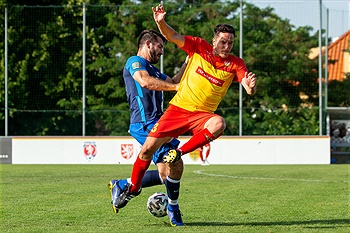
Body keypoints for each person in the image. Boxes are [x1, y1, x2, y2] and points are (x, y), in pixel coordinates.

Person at [113, 4, 257, 227]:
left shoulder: (234, 63)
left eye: (230, 43)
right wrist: (160, 22)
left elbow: (172, 81)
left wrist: (249, 86)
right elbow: (167, 46)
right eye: (223, 42)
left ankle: (171, 203)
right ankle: (129, 187)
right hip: (164, 116)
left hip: (197, 116)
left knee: (216, 125)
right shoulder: (136, 61)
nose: (227, 46)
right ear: (214, 40)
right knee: (149, 153)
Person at [108, 29, 187, 218]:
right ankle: (173, 209)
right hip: (144, 123)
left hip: (158, 123)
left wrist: (188, 61)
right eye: (160, 46)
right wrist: (176, 87)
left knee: (164, 173)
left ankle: (123, 184)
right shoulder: (134, 62)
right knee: (175, 161)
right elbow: (144, 82)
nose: (161, 51)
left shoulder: (154, 70)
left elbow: (175, 81)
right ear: (148, 43)